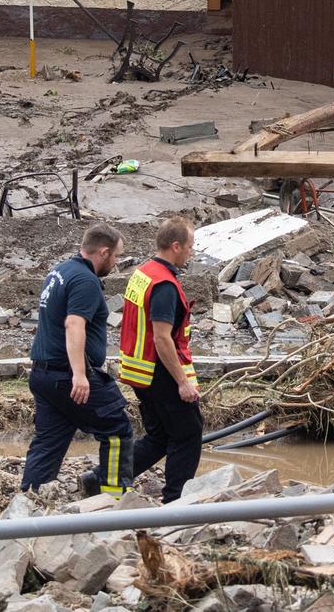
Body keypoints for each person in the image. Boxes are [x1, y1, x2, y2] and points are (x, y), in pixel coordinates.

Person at [18, 224, 132, 496]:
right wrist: (80, 375)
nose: (115, 264)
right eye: (116, 256)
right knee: (117, 428)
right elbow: (73, 324)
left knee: (49, 441)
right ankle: (116, 498)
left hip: (43, 374)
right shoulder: (85, 280)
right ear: (103, 252)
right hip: (67, 375)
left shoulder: (59, 271)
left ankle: (28, 501)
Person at [117, 215, 202, 501]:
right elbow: (162, 337)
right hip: (160, 371)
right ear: (176, 246)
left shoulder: (143, 273)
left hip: (139, 370)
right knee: (188, 432)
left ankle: (103, 477)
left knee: (160, 436)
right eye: (190, 246)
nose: (192, 251)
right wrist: (182, 382)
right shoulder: (164, 285)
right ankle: (176, 500)